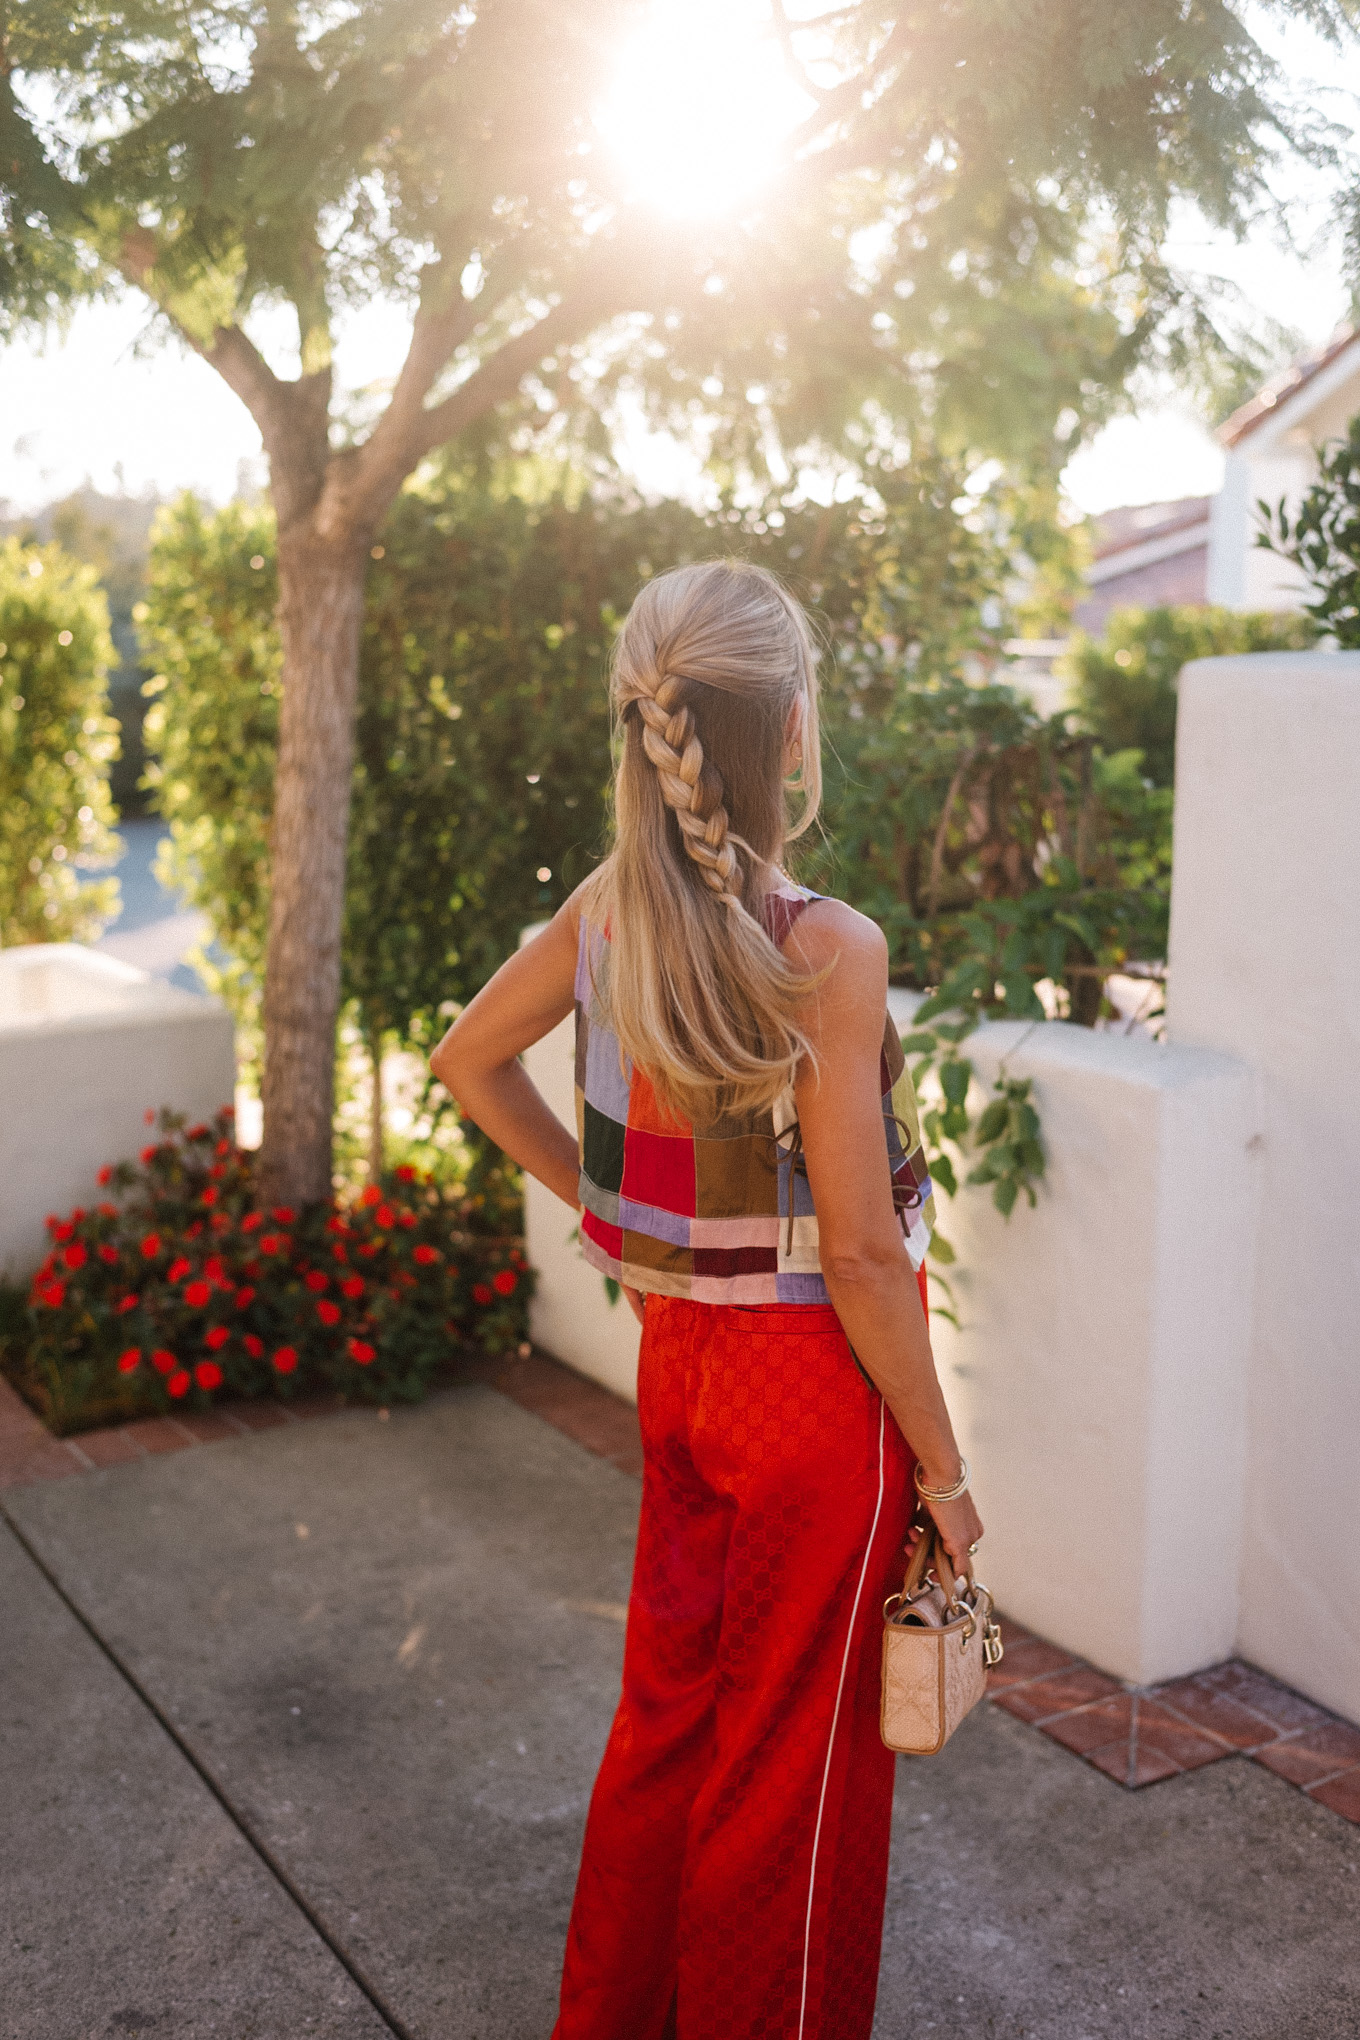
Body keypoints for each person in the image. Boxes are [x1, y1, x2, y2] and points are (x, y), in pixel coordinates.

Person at [430, 559, 984, 2040]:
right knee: (790, 1777)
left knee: (667, 1730)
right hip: (814, 1400)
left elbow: (468, 1060)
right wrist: (943, 1465)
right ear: (789, 727)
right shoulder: (826, 949)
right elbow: (865, 1259)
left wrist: (607, 1206)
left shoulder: (609, 915)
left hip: (681, 1371)